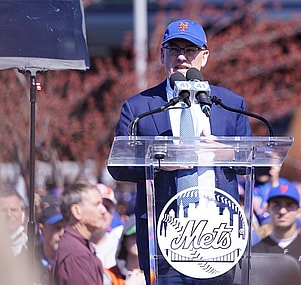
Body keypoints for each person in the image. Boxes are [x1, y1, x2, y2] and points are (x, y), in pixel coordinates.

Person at [108, 19, 252, 285]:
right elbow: (118, 165)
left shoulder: (230, 104)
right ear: (162, 55)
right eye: (174, 49)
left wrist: (227, 153)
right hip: (165, 236)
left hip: (218, 234)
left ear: (205, 57)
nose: (182, 57)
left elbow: (256, 164)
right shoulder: (140, 107)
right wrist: (160, 162)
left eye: (191, 50)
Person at [252, 181, 301, 274]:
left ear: (299, 211)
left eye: (289, 205)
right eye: (277, 205)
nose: (282, 211)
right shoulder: (256, 253)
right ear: (267, 209)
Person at [52, 182, 107, 285]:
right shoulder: (76, 256)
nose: (104, 210)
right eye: (96, 204)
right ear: (76, 211)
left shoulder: (79, 248)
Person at [92, 183, 124, 270]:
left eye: (107, 207)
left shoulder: (121, 245)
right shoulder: (71, 244)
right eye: (97, 205)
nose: (103, 211)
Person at [36, 202, 65, 284]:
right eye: (57, 228)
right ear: (41, 230)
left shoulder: (76, 261)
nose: (62, 233)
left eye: (66, 227)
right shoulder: (27, 259)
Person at [0, 189, 28, 258]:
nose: (9, 214)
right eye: (3, 210)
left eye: (13, 210)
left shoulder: (32, 247)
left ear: (22, 212)